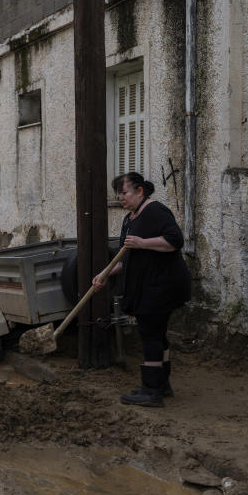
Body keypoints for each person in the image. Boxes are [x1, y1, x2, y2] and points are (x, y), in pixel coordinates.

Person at [92, 171, 191, 407]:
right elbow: (127, 258)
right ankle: (161, 385)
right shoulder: (130, 218)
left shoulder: (156, 212)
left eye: (124, 193)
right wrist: (106, 274)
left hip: (162, 286)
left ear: (139, 191)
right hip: (147, 285)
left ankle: (151, 391)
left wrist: (143, 243)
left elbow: (175, 241)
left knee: (151, 334)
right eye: (119, 194)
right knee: (157, 334)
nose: (121, 198)